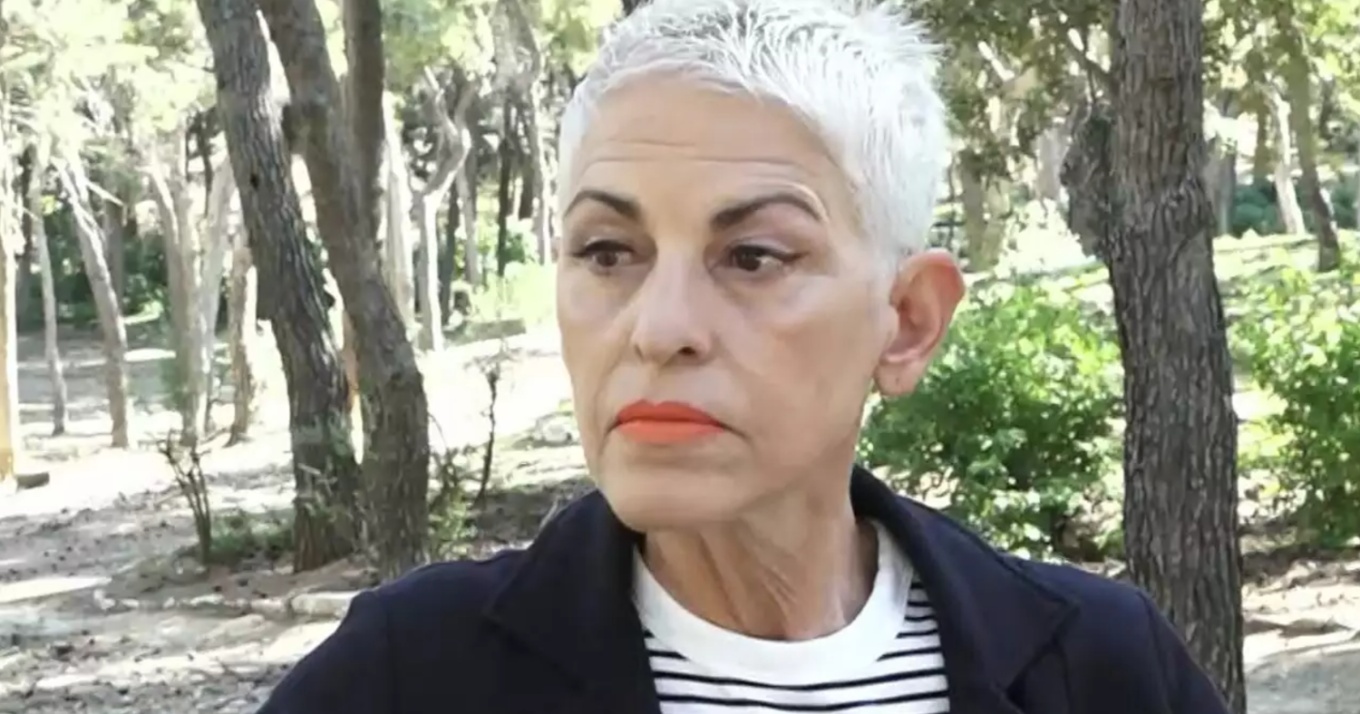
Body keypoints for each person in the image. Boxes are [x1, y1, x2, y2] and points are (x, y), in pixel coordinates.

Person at [259, 1, 1232, 712]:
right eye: (608, 252)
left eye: (753, 256)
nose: (659, 327)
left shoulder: (1106, 670)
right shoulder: (406, 680)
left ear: (905, 321)